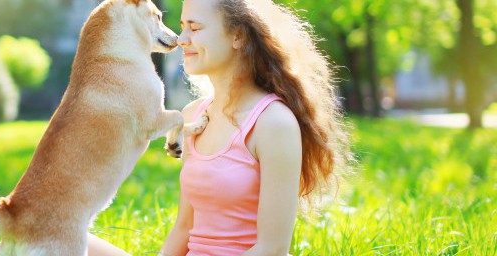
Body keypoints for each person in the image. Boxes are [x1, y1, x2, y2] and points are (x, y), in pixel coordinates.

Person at [88, 0, 350, 255]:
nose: (181, 39)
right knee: (73, 239)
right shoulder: (194, 116)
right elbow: (185, 227)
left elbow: (273, 249)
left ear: (237, 36)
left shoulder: (273, 123)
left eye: (195, 28)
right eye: (182, 26)